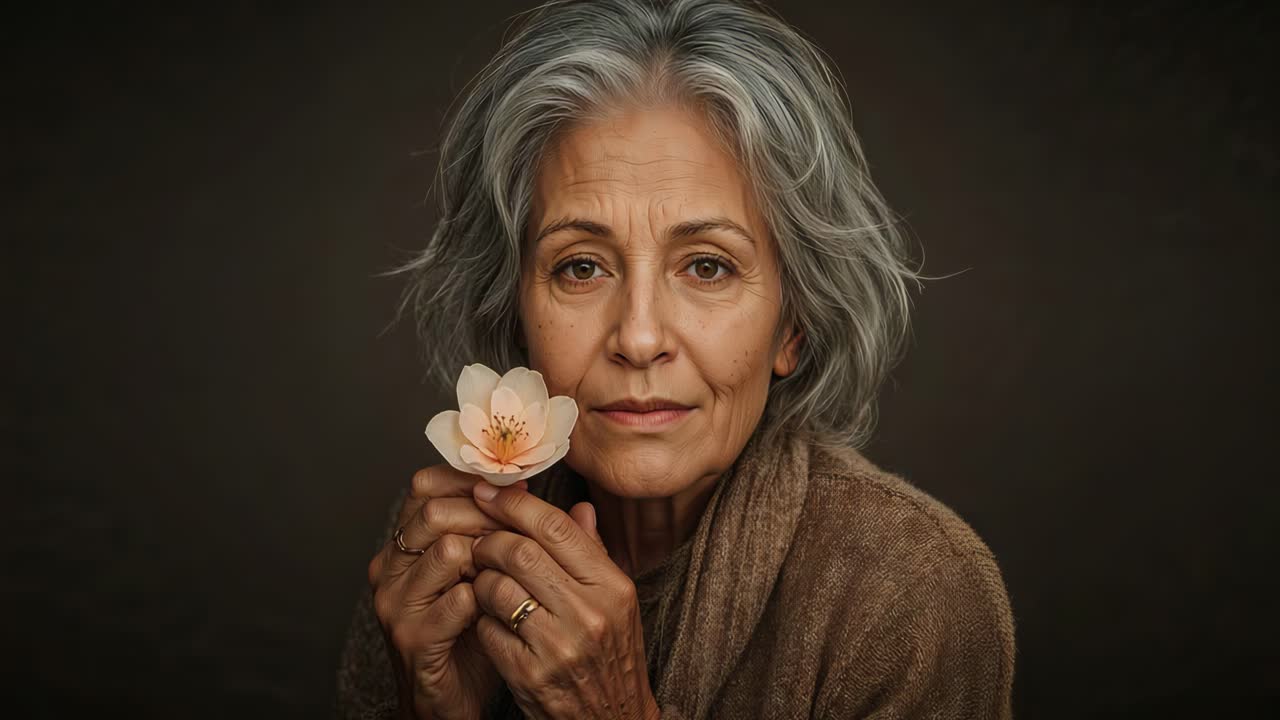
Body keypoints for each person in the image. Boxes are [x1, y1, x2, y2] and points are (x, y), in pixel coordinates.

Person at [337, 0, 1016, 718]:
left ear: (795, 323)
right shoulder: (442, 554)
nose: (638, 337)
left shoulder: (910, 594)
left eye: (708, 267)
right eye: (580, 268)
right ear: (516, 310)